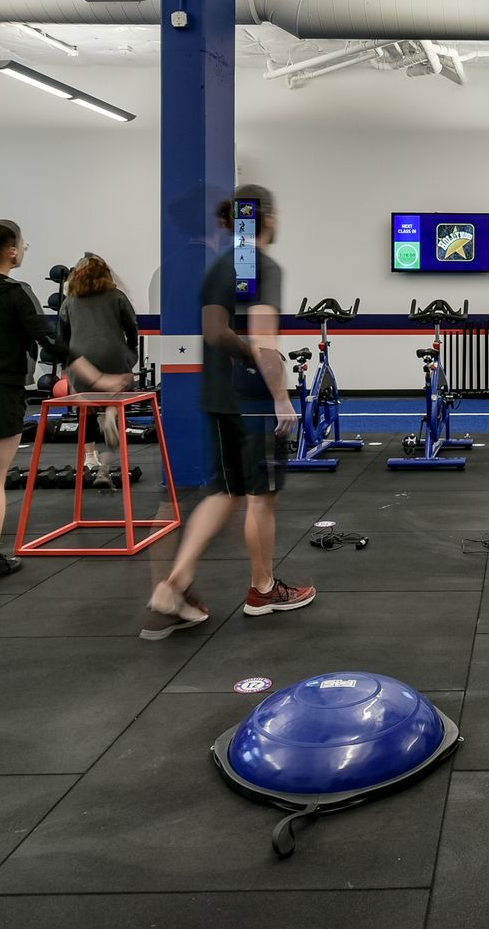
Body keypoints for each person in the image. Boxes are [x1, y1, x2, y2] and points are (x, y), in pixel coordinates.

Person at [141, 184, 312, 639]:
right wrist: (280, 395)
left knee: (223, 493)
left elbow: (214, 332)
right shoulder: (262, 266)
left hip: (216, 396)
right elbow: (262, 338)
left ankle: (174, 585)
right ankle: (263, 589)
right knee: (261, 498)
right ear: (269, 219)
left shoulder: (222, 266)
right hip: (253, 402)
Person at [0, 216, 125, 581]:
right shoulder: (14, 292)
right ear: (9, 251)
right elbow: (52, 343)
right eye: (22, 245)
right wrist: (99, 378)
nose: (23, 250)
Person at [61, 254, 140, 479]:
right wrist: (130, 353)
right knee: (118, 387)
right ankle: (111, 413)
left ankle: (89, 456)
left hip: (81, 358)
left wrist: (67, 365)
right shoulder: (117, 296)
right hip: (113, 355)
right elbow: (131, 326)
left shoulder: (70, 301)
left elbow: (62, 335)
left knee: (85, 405)